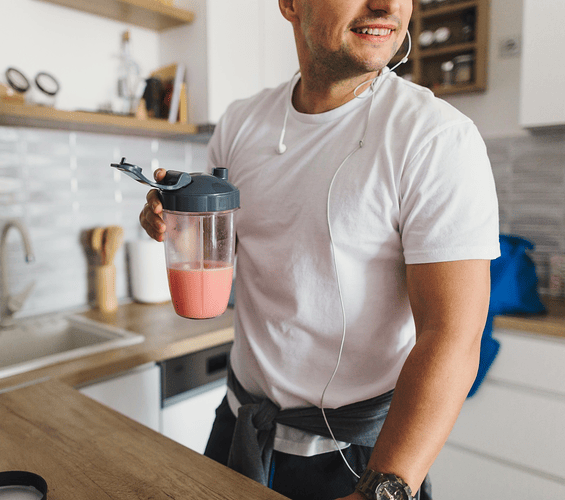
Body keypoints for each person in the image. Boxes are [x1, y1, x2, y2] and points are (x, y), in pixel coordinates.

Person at [140, 0, 500, 499]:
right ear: (290, 4)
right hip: (239, 429)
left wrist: (382, 489)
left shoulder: (436, 138)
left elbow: (454, 337)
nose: (387, 4)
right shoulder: (241, 123)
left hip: (359, 460)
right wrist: (178, 220)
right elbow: (235, 254)